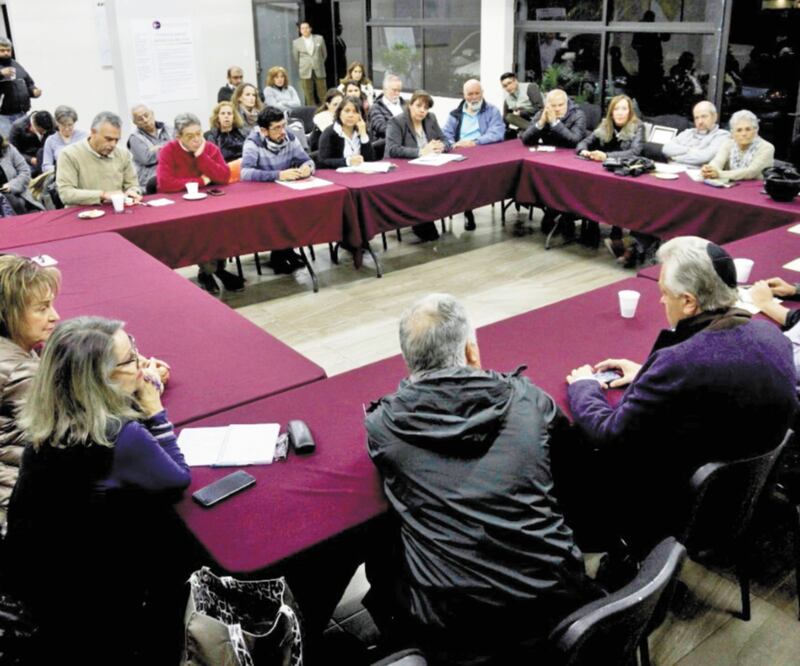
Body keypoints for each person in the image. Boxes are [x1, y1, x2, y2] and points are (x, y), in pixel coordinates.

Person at [365, 293, 600, 665]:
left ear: (408, 361)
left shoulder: (383, 426)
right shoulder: (526, 399)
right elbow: (563, 436)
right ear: (472, 353)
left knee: (380, 548)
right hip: (555, 602)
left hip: (459, 630)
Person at [565, 237, 797, 556]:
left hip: (679, 507)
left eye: (664, 293)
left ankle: (609, 553)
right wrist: (648, 371)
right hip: (742, 499)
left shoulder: (680, 363)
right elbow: (713, 379)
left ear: (688, 302)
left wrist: (584, 388)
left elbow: (610, 433)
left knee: (571, 444)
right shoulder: (771, 336)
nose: (661, 302)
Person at [5, 316, 191, 665]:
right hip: (98, 603)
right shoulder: (121, 436)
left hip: (38, 584)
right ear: (100, 379)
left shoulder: (48, 422)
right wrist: (155, 409)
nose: (140, 363)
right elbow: (178, 476)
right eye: (130, 360)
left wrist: (133, 385)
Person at [0, 255, 60, 531]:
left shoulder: (12, 348)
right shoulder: (18, 371)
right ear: (8, 313)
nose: (54, 316)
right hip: (16, 505)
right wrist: (140, 384)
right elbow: (76, 426)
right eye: (42, 308)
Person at [156, 112, 242, 294]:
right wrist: (201, 181)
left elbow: (224, 177)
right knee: (199, 228)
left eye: (198, 134)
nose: (196, 139)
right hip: (182, 206)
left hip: (211, 202)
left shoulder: (209, 148)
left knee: (223, 223)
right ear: (179, 137)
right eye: (190, 136)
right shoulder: (168, 151)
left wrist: (201, 156)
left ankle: (216, 269)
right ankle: (208, 272)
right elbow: (164, 183)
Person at [241, 106, 314, 274]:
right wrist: (278, 174)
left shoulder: (289, 136)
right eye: (277, 128)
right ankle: (279, 253)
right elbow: (245, 173)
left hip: (286, 191)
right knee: (278, 213)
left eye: (284, 125)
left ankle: (286, 249)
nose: (283, 131)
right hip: (261, 195)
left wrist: (307, 168)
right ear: (264, 131)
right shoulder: (253, 143)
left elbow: (307, 160)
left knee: (300, 208)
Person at [577, 94, 646, 258]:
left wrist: (607, 156)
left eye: (624, 109)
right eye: (616, 109)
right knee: (589, 185)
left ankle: (617, 230)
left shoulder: (638, 126)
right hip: (604, 172)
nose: (620, 112)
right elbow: (583, 142)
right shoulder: (605, 125)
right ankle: (591, 224)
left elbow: (635, 152)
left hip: (626, 174)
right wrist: (584, 151)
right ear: (611, 112)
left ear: (630, 112)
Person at [384, 90, 447, 242]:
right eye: (418, 106)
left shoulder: (431, 118)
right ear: (409, 105)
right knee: (421, 187)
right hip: (402, 170)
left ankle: (431, 215)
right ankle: (421, 222)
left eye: (425, 108)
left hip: (429, 166)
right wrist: (421, 151)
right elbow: (393, 149)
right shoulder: (397, 122)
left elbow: (444, 138)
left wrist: (442, 146)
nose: (422, 110)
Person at [442, 79, 505, 231]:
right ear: (464, 95)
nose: (474, 97)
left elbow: (497, 133)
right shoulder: (455, 114)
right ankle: (467, 210)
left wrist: (475, 142)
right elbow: (445, 135)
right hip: (460, 153)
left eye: (477, 93)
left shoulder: (492, 111)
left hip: (483, 152)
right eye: (470, 94)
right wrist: (453, 144)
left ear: (482, 93)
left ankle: (470, 205)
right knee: (462, 176)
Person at [56, 110, 142, 207]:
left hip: (116, 210)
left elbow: (133, 185)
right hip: (82, 215)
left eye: (116, 140)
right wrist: (103, 195)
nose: (113, 144)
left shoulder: (123, 154)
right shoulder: (69, 154)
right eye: (108, 139)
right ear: (93, 132)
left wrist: (133, 192)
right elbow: (66, 194)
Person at [701, 109, 774, 182]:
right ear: (732, 133)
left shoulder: (767, 148)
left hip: (755, 190)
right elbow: (718, 161)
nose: (744, 134)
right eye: (739, 130)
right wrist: (709, 170)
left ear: (755, 130)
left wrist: (719, 174)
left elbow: (751, 172)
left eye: (748, 129)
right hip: (731, 187)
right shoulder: (728, 144)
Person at [661, 100, 730, 167]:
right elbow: (666, 148)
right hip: (671, 169)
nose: (700, 121)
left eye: (704, 116)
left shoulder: (722, 136)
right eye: (696, 118)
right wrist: (689, 150)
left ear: (715, 117)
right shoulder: (687, 132)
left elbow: (704, 157)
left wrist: (674, 157)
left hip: (697, 174)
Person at [317, 95, 375, 169]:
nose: (350, 115)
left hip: (361, 174)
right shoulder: (330, 133)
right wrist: (348, 161)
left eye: (355, 112)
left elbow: (371, 160)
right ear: (339, 113)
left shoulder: (363, 130)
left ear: (361, 116)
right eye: (347, 111)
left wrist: (363, 135)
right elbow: (322, 162)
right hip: (338, 176)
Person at [0, 37, 42, 140]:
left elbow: (29, 83)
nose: (6, 53)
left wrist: (34, 91)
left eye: (8, 50)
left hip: (22, 114)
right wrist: (0, 74)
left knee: (24, 143)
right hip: (4, 117)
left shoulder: (16, 65)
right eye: (2, 50)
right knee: (7, 145)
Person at [520, 88, 586, 149]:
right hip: (547, 153)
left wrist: (555, 123)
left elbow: (575, 142)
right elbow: (526, 140)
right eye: (553, 106)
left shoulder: (578, 115)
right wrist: (541, 122)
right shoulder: (541, 114)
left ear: (567, 103)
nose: (557, 109)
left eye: (561, 105)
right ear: (547, 106)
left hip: (568, 154)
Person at [128, 104, 173, 190]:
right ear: (135, 123)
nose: (145, 120)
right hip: (150, 180)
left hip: (172, 174)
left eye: (146, 115)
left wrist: (157, 148)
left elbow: (179, 149)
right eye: (140, 119)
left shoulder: (169, 128)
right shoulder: (135, 138)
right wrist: (168, 147)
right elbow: (147, 159)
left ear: (152, 114)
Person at [0, 134, 41, 213]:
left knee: (18, 203)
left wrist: (11, 186)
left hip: (17, 193)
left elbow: (25, 171)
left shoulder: (8, 149)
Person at [41, 105, 87, 174]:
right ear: (57, 123)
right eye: (63, 125)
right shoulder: (50, 140)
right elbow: (46, 166)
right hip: (60, 175)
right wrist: (60, 168)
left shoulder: (83, 136)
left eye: (70, 125)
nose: (67, 128)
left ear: (74, 123)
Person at [292, 21, 328, 106]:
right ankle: (311, 112)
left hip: (319, 69)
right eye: (302, 28)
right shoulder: (296, 42)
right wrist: (305, 65)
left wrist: (318, 63)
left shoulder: (319, 39)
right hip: (305, 71)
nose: (305, 30)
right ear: (300, 30)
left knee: (322, 93)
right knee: (308, 95)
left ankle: (324, 110)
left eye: (306, 28)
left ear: (310, 29)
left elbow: (324, 54)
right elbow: (296, 58)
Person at [9, 109, 53, 176]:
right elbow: (12, 152)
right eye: (42, 131)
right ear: (35, 126)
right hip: (25, 158)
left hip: (44, 157)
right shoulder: (17, 127)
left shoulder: (49, 125)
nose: (44, 133)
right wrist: (30, 159)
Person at [369, 74, 405, 144]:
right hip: (386, 144)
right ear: (385, 90)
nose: (397, 93)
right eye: (394, 90)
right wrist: (403, 132)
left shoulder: (405, 105)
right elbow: (381, 127)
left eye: (399, 90)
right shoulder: (376, 107)